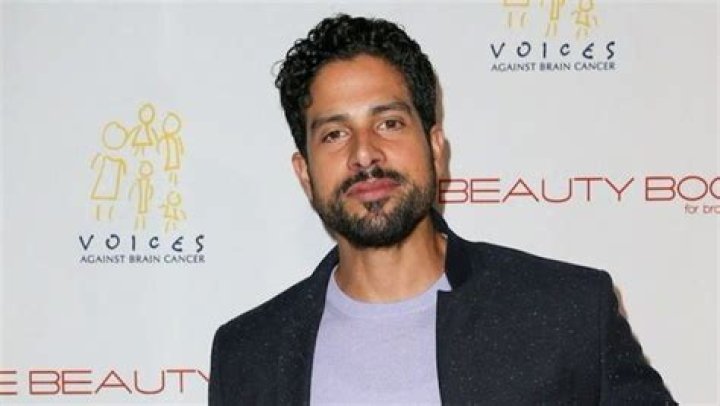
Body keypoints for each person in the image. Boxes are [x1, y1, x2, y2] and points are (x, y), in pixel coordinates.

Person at [209, 14, 675, 404]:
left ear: (435, 148)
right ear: (305, 173)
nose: (364, 153)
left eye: (389, 123)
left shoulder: (567, 312)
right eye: (335, 134)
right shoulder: (248, 355)